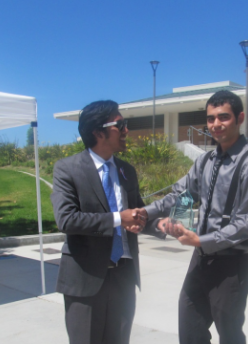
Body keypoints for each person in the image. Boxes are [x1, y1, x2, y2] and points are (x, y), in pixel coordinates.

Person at [143, 90, 248, 344]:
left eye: (223, 117)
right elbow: (181, 196)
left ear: (240, 118)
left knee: (230, 336)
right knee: (190, 332)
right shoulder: (205, 161)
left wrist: (201, 241)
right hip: (200, 261)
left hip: (231, 265)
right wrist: (147, 213)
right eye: (211, 118)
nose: (216, 124)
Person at [51, 100, 164, 344]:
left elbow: (138, 213)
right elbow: (66, 219)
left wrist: (161, 226)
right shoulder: (67, 169)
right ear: (98, 131)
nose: (126, 131)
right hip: (85, 278)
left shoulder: (126, 170)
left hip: (123, 275)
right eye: (120, 125)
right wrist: (117, 219)